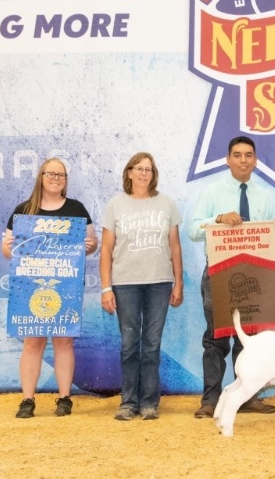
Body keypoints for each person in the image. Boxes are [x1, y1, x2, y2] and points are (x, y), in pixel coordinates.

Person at [2, 157, 98, 418]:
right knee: (33, 340)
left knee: (64, 339)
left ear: (66, 180)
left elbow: (92, 241)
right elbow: (6, 248)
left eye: (61, 175)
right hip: (30, 284)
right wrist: (9, 248)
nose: (56, 179)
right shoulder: (24, 211)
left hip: (65, 283)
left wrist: (90, 245)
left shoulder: (76, 209)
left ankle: (65, 398)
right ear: (41, 176)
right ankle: (27, 399)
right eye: (51, 174)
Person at [188, 136, 275, 419]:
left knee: (250, 339)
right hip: (218, 272)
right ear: (228, 159)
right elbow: (192, 229)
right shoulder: (212, 191)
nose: (243, 160)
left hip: (255, 274)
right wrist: (217, 219)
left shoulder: (265, 196)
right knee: (216, 338)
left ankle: (247, 396)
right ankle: (210, 400)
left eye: (248, 155)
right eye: (237, 155)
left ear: (255, 160)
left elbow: (269, 235)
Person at [100, 152, 184, 421]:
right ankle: (128, 401)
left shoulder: (166, 204)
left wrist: (178, 282)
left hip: (159, 282)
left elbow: (175, 246)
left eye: (148, 169)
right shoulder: (116, 205)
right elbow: (106, 250)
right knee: (129, 344)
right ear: (129, 172)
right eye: (139, 168)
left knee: (151, 344)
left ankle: (149, 402)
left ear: (153, 174)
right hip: (125, 284)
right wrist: (105, 288)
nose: (143, 173)